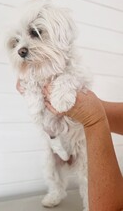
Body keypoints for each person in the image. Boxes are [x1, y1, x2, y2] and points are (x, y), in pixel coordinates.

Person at [16, 81, 123, 210]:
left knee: (85, 172)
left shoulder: (70, 75)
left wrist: (94, 118)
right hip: (53, 143)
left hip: (76, 142)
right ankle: (56, 192)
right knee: (51, 168)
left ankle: (88, 203)